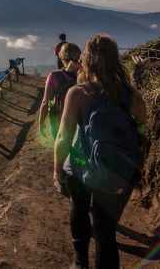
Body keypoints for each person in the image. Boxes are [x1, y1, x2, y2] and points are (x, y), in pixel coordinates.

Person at [53, 34, 147, 269]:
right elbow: (143, 130)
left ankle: (80, 262)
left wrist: (57, 171)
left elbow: (63, 137)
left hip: (79, 167)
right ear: (115, 60)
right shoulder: (131, 95)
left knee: (79, 210)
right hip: (115, 170)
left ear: (86, 60)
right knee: (106, 233)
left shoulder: (77, 93)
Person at [38, 42, 81, 139]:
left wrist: (41, 123)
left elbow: (45, 102)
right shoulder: (85, 75)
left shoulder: (54, 76)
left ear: (61, 57)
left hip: (59, 122)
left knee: (61, 150)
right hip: (80, 123)